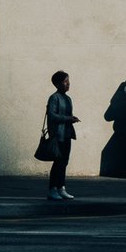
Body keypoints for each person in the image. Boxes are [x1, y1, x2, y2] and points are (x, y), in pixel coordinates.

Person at [46, 70, 80, 200]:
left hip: (67, 134)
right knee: (58, 163)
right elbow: (52, 115)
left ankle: (61, 188)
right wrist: (68, 119)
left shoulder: (68, 98)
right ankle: (52, 190)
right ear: (58, 84)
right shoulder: (54, 98)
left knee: (64, 162)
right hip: (58, 135)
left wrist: (71, 119)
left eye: (68, 81)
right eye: (65, 82)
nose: (68, 84)